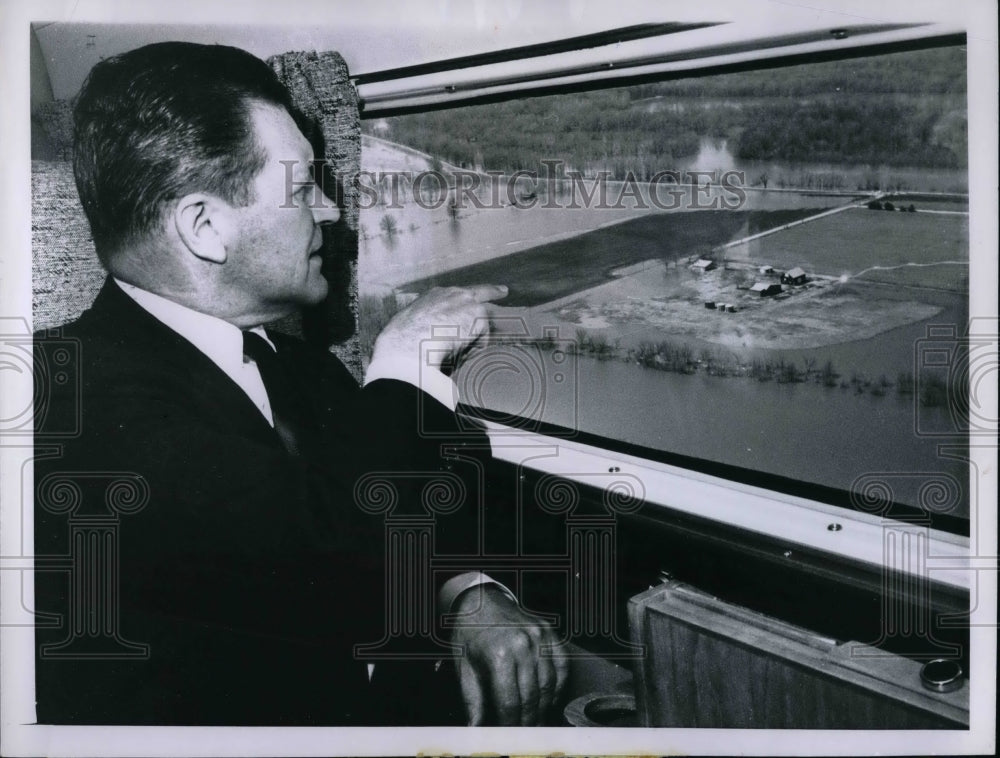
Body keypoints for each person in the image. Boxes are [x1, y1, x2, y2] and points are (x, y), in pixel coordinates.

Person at [33, 41, 566, 726]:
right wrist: (405, 358)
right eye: (302, 187)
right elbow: (324, 556)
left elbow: (408, 500)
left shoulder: (294, 362)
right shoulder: (68, 396)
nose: (331, 212)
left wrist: (465, 592)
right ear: (204, 227)